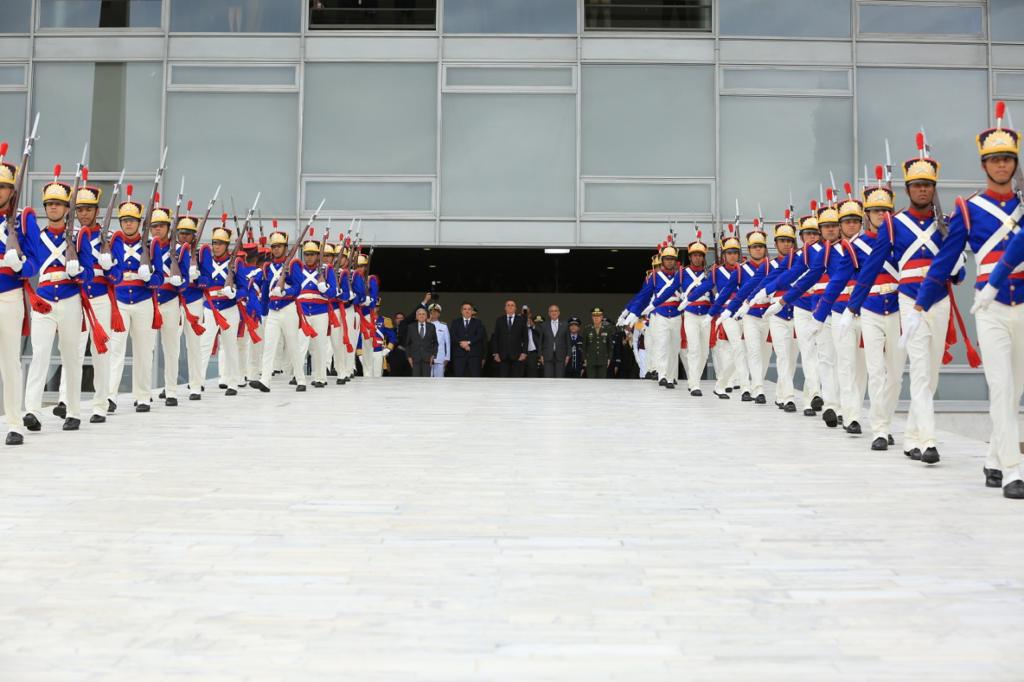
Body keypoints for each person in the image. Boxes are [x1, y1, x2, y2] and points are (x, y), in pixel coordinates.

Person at [924, 102, 1023, 498]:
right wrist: (920, 305)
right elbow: (945, 261)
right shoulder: (968, 209)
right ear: (984, 164)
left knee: (1015, 388)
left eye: (1007, 160)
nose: (1001, 166)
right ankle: (1014, 469)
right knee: (1000, 386)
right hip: (991, 307)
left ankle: (994, 459)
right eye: (994, 160)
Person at [892, 136, 967, 464]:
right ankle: (930, 440)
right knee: (920, 368)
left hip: (939, 300)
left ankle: (911, 436)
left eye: (928, 185)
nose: (922, 190)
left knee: (930, 372)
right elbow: (878, 265)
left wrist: (956, 255)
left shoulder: (946, 224)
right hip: (910, 301)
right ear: (908, 189)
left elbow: (959, 274)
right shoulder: (895, 225)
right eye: (917, 185)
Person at [23, 169, 85, 432]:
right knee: (39, 355)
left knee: (71, 356)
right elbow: (29, 267)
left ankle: (72, 410)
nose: (53, 208)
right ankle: (32, 411)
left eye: (58, 204)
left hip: (70, 299)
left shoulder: (79, 236)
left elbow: (91, 270)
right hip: (45, 301)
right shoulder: (37, 235)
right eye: (49, 204)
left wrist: (78, 269)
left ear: (66, 208)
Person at [844, 170, 902, 450]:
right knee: (876, 371)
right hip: (869, 307)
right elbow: (847, 277)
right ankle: (879, 429)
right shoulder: (856, 245)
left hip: (899, 308)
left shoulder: (902, 239)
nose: (881, 214)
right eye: (876, 210)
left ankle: (886, 419)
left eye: (885, 210)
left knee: (896, 374)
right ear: (867, 213)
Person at [56, 182, 123, 423]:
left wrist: (109, 266)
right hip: (74, 298)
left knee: (100, 352)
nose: (83, 214)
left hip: (100, 299)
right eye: (80, 209)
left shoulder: (111, 237)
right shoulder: (68, 236)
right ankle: (65, 399)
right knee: (71, 350)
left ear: (97, 211)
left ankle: (100, 404)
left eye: (88, 209)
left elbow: (119, 276)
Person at [813, 192, 868, 435]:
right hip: (837, 310)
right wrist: (818, 313)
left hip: (867, 309)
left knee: (863, 366)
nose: (850, 225)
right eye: (846, 221)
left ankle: (852, 407)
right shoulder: (830, 251)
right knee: (842, 363)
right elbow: (823, 280)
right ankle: (849, 414)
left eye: (855, 221)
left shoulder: (870, 245)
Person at [0, 147, 39, 444]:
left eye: (3, 186)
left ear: (12, 191)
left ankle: (14, 422)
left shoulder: (23, 219)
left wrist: (20, 264)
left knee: (9, 360)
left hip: (8, 295)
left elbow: (36, 261)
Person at [722, 225, 772, 404]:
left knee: (765, 354)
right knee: (751, 352)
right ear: (749, 250)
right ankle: (750, 388)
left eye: (760, 246)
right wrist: (720, 312)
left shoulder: (772, 266)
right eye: (754, 246)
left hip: (768, 315)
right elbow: (727, 291)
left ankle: (758, 383)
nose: (758, 249)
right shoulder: (741, 270)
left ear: (765, 249)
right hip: (748, 314)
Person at [150, 205, 190, 407]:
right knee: (145, 349)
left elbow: (186, 282)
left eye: (161, 226)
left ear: (168, 228)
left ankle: (171, 390)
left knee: (171, 348)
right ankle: (143, 392)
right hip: (149, 302)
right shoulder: (146, 248)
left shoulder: (180, 250)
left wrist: (178, 281)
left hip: (171, 301)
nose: (157, 229)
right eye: (153, 226)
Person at [677, 233, 712, 396]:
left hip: (706, 315)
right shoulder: (683, 273)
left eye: (700, 255)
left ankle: (693, 379)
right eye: (695, 255)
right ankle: (695, 384)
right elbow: (672, 289)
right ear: (690, 257)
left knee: (704, 352)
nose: (697, 258)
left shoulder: (710, 274)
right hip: (690, 314)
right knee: (694, 349)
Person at [491, 298, 528, 377]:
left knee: (516, 381)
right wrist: (495, 353)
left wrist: (524, 353)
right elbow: (495, 338)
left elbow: (525, 338)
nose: (510, 307)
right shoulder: (499, 320)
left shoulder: (521, 320)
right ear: (505, 308)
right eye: (508, 305)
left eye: (512, 305)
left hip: (518, 356)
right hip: (502, 356)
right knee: (503, 381)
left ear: (515, 308)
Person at [450, 301, 485, 377]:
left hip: (474, 357)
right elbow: (453, 335)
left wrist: (468, 343)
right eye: (465, 309)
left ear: (472, 311)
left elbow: (479, 336)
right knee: (459, 380)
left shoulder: (478, 322)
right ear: (461, 311)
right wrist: (462, 343)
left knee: (474, 380)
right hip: (459, 356)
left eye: (469, 309)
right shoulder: (455, 322)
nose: (467, 311)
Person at [404, 306, 438, 377]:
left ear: (426, 316)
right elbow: (408, 344)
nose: (421, 316)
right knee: (416, 381)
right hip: (415, 359)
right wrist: (409, 357)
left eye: (423, 314)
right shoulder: (411, 327)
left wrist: (433, 355)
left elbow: (435, 342)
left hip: (427, 359)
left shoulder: (431, 327)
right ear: (416, 316)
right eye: (419, 314)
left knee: (426, 382)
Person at [537, 303, 569, 377]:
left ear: (559, 312)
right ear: (549, 313)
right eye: (551, 311)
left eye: (555, 311)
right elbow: (540, 341)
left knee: (560, 378)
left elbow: (568, 341)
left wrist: (568, 355)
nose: (554, 312)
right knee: (548, 379)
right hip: (547, 355)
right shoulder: (544, 325)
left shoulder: (565, 324)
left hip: (561, 355)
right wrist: (540, 355)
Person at [583, 307, 613, 379]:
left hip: (603, 360)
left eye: (598, 316)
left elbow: (610, 346)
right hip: (590, 360)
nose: (596, 318)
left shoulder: (607, 329)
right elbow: (584, 346)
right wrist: (584, 359)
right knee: (591, 381)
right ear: (592, 317)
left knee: (602, 382)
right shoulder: (587, 329)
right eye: (594, 316)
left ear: (601, 317)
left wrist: (609, 358)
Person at [428, 302, 449, 378]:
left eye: (436, 312)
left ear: (439, 314)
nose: (433, 314)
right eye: (431, 312)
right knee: (426, 382)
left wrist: (447, 358)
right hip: (427, 358)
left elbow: (447, 343)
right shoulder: (425, 325)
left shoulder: (443, 326)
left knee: (440, 382)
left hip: (440, 358)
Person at [524, 308, 541, 378]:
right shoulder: (518, 324)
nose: (526, 316)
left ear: (530, 315)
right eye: (524, 314)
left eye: (528, 314)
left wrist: (533, 325)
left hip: (533, 354)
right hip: (520, 354)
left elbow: (543, 333)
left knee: (532, 375)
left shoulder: (536, 325)